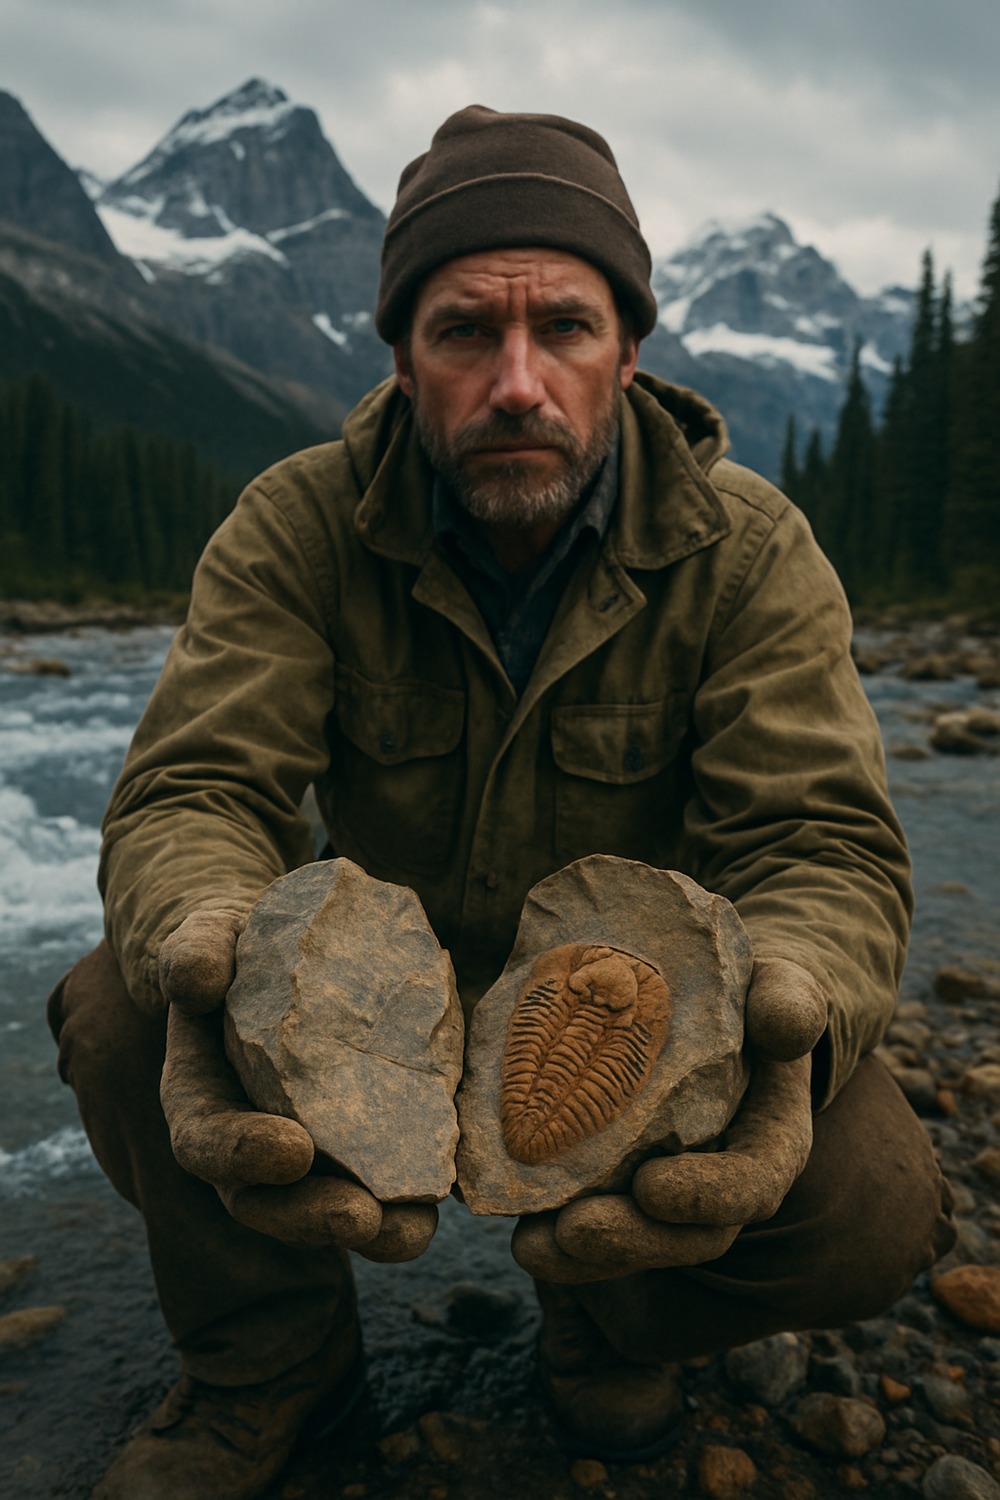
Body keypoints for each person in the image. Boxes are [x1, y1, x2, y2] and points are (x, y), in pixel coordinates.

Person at [49, 105, 955, 1500]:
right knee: (124, 1010)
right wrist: (207, 924)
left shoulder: (750, 551)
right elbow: (198, 785)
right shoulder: (300, 522)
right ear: (406, 361)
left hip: (639, 1017)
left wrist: (795, 998)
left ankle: (608, 1315)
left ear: (630, 354)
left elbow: (819, 841)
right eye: (467, 331)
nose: (517, 382)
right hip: (368, 1007)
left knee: (877, 1199)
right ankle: (273, 1368)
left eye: (568, 331)